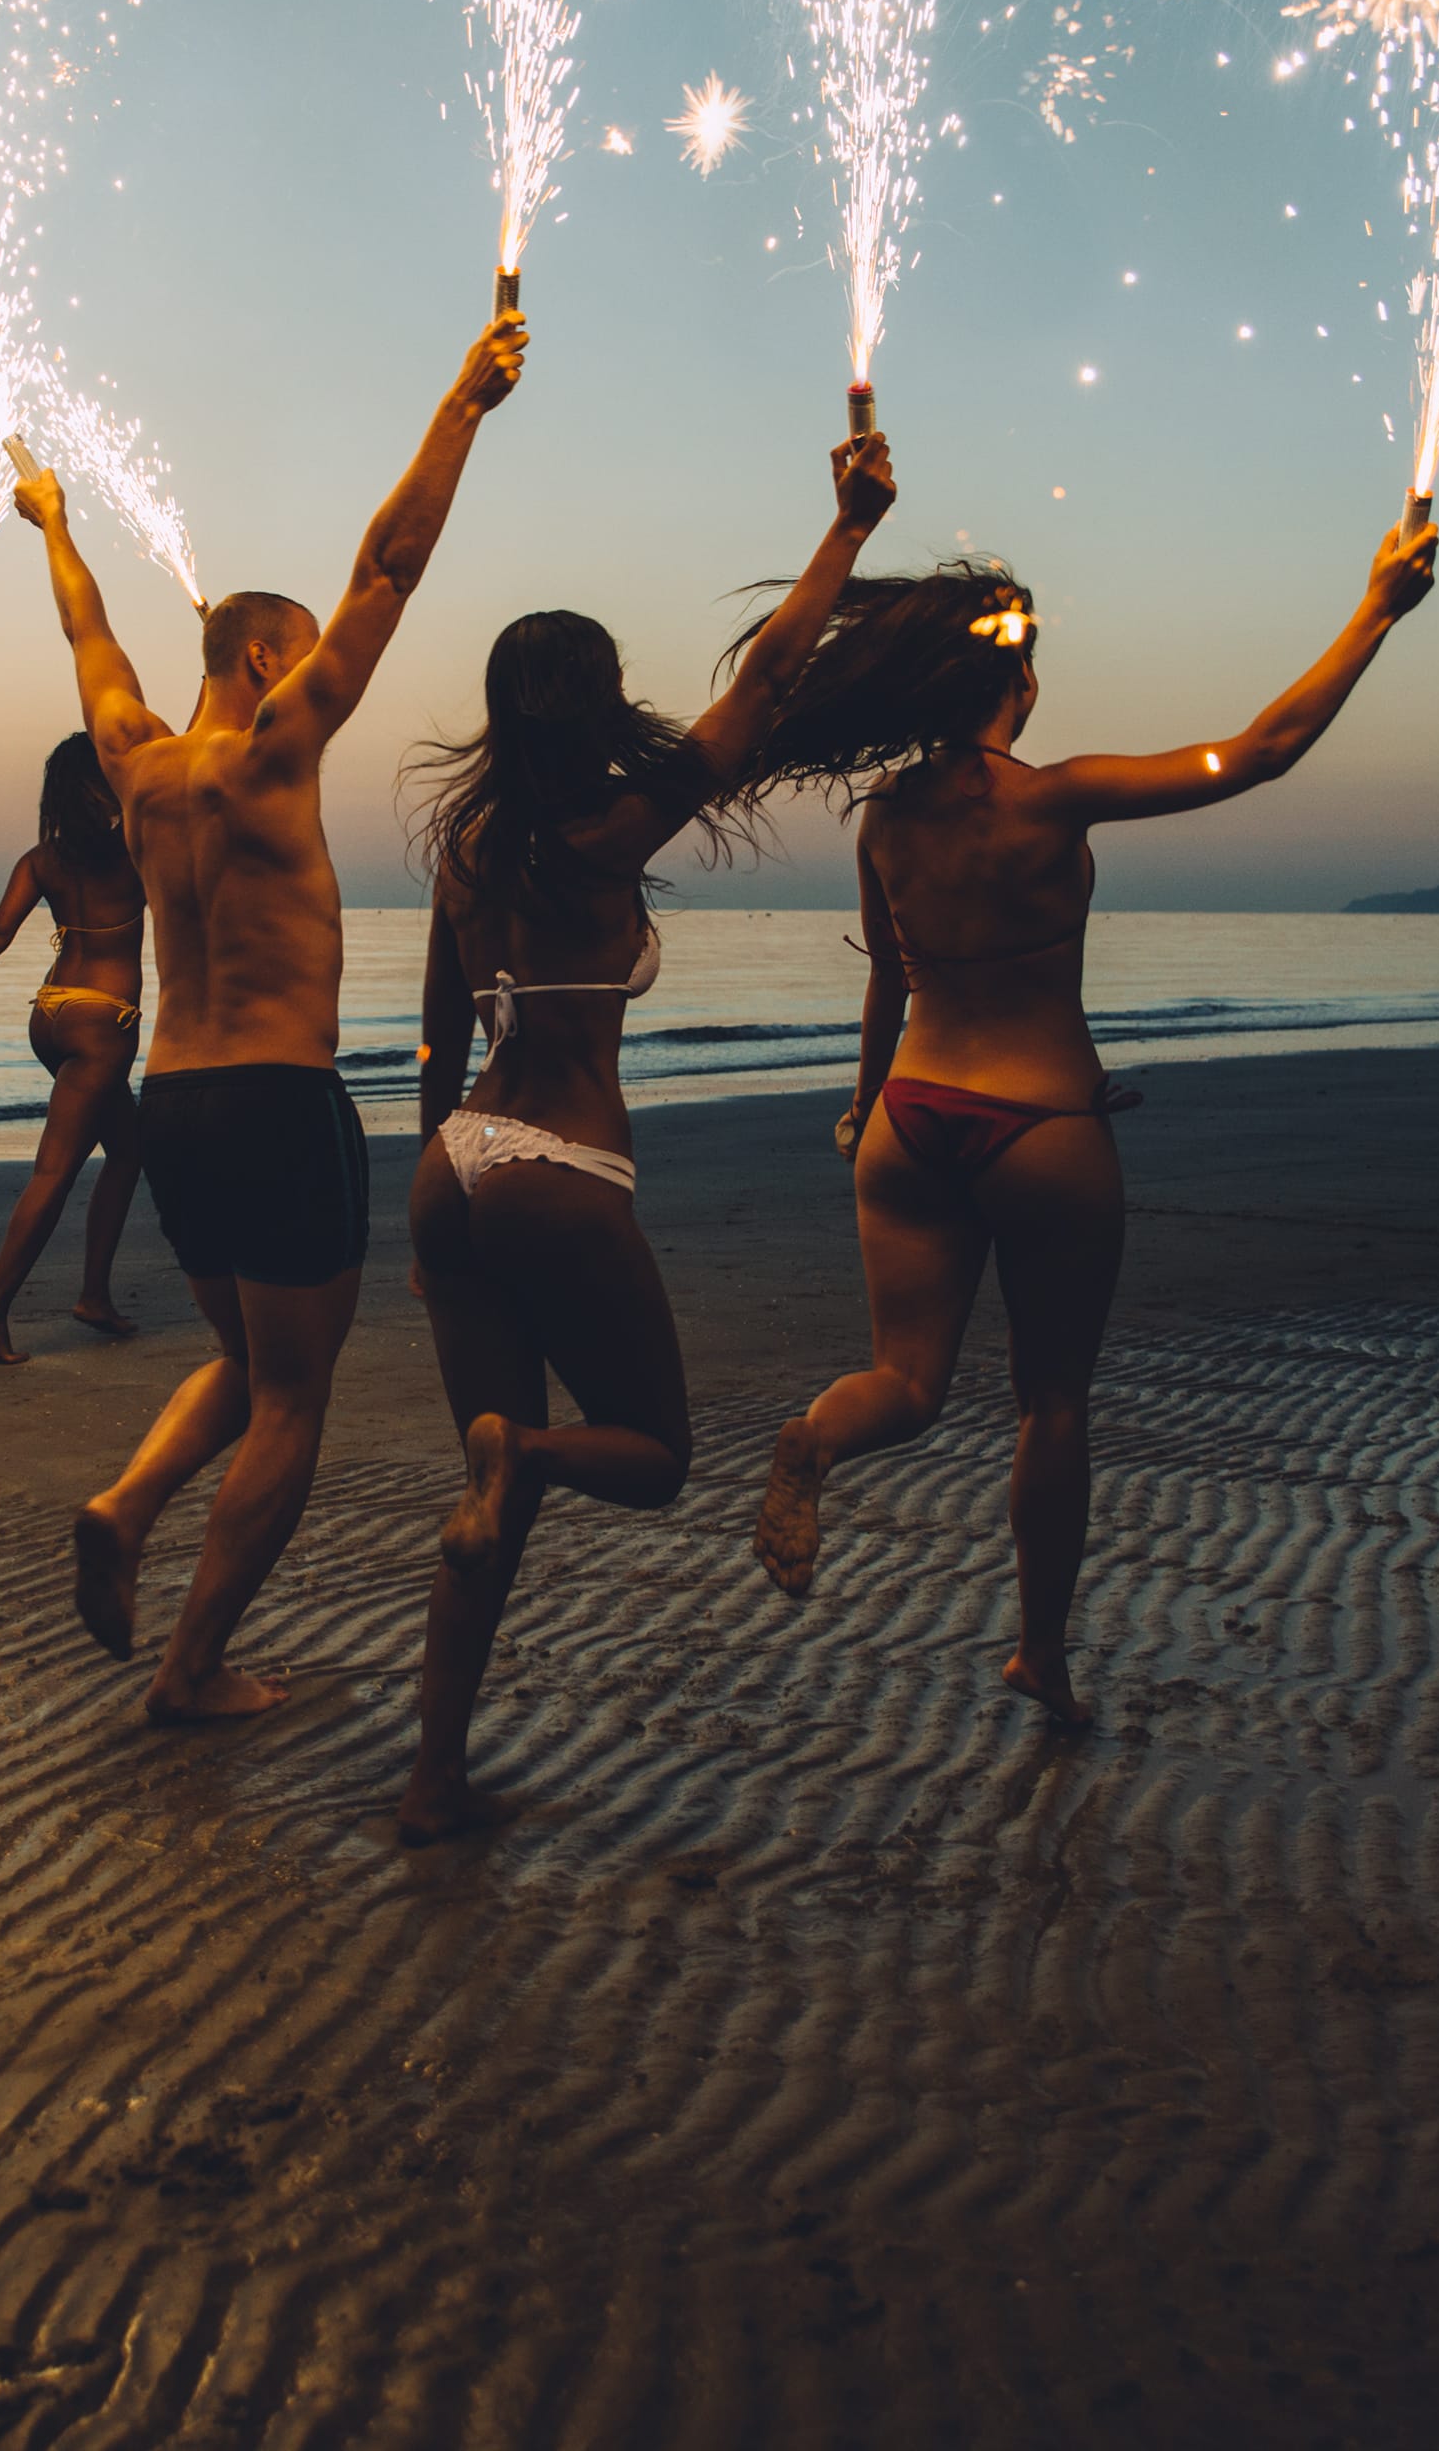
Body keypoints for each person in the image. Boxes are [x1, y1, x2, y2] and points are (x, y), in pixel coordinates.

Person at [740, 506, 1439, 1724]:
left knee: (904, 1379)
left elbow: (889, 978)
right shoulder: (1057, 798)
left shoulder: (884, 818)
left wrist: (862, 1105)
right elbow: (1262, 749)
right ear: (1014, 674)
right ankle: (1040, 1656)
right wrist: (1375, 610)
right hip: (1038, 1123)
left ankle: (813, 1437)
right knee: (1049, 1402)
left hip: (910, 1118)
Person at [10, 304, 531, 1723]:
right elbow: (391, 563)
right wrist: (464, 404)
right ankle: (190, 1668)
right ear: (263, 665)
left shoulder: (133, 762)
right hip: (281, 1099)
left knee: (244, 1361)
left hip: (171, 1104)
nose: (314, 672)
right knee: (295, 1397)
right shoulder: (277, 748)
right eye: (298, 653)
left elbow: (89, 627)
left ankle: (125, 1504)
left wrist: (51, 516)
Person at [392, 425, 900, 1844]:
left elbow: (435, 1036)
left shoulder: (468, 849)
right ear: (601, 703)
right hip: (560, 1164)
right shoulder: (615, 825)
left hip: (456, 1165)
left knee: (481, 1504)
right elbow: (765, 682)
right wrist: (846, 529)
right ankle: (530, 1451)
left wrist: (418, 1213)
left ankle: (435, 1773)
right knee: (657, 1453)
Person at [0, 734, 150, 1362]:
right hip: (103, 1023)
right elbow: (171, 768)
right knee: (56, 1170)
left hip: (49, 1015)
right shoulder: (136, 849)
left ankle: (94, 1296)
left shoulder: (42, 858)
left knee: (128, 1151)